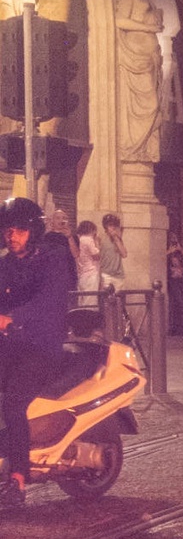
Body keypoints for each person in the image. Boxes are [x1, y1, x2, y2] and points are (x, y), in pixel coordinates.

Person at [0, 200, 75, 512]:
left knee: (13, 402)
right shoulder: (6, 264)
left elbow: (48, 302)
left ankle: (18, 478)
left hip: (42, 347)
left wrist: (11, 317)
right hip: (11, 345)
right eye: (7, 230)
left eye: (17, 230)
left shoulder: (52, 259)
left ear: (32, 230)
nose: (10, 236)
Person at [73, 221, 101, 295]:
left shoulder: (80, 239)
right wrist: (97, 241)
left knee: (82, 298)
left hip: (82, 273)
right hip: (90, 273)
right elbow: (97, 256)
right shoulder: (89, 239)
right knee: (90, 299)